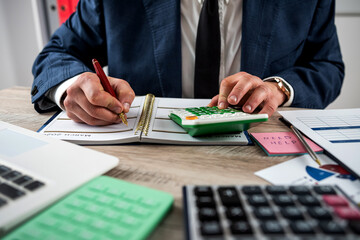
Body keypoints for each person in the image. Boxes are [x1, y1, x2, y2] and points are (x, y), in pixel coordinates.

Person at [31, 0, 344, 126]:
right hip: (142, 154)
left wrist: (278, 89)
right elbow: (55, 55)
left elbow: (327, 66)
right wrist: (73, 86)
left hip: (258, 151)